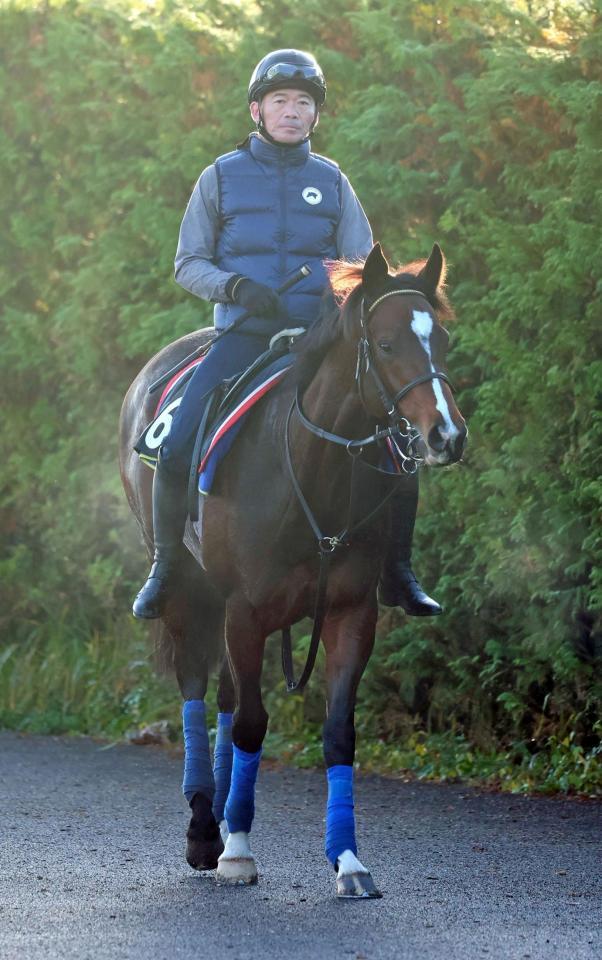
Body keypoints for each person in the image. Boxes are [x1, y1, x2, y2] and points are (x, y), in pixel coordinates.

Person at [132, 48, 441, 620]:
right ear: (257, 110)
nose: (292, 112)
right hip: (244, 334)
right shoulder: (218, 177)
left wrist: (339, 300)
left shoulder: (333, 181)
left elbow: (361, 265)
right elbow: (187, 263)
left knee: (398, 439)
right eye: (281, 101)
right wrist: (235, 287)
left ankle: (398, 572)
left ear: (314, 116)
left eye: (303, 103)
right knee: (175, 442)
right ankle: (166, 565)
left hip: (320, 339)